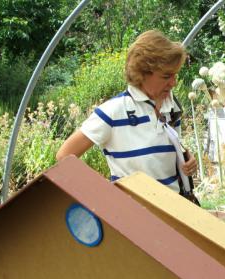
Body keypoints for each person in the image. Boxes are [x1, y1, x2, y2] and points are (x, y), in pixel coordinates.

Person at [55, 30, 198, 200]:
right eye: (166, 76)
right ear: (142, 72)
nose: (173, 82)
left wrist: (187, 158)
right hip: (133, 214)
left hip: (173, 209)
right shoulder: (113, 111)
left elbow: (161, 153)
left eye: (175, 75)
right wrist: (101, 195)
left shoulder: (171, 106)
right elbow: (64, 155)